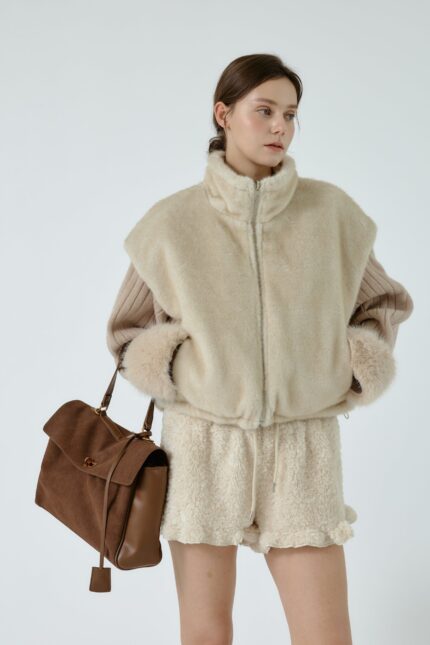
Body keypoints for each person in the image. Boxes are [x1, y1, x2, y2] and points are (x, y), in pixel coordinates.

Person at [106, 53, 414, 645]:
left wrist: (345, 366)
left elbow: (384, 303)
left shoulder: (333, 215)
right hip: (203, 445)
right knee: (206, 633)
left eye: (291, 115)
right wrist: (190, 371)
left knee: (326, 634)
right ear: (223, 114)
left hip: (304, 446)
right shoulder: (172, 223)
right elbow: (126, 332)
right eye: (265, 111)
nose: (280, 127)